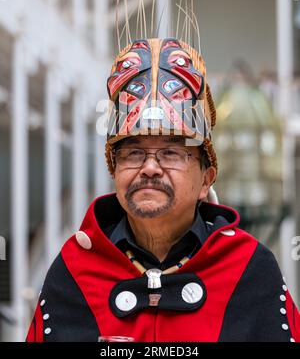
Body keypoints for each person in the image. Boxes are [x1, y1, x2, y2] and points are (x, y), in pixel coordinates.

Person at [26, 37, 300, 342]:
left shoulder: (250, 271)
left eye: (171, 153)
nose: (150, 168)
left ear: (206, 179)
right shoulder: (75, 272)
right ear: (114, 170)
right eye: (133, 152)